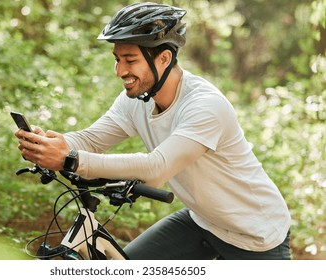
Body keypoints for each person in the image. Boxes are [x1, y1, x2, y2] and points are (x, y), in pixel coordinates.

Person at [15, 2, 291, 260]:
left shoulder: (205, 106)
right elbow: (90, 140)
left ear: (164, 58)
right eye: (117, 59)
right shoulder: (135, 101)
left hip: (257, 235)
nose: (120, 70)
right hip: (203, 222)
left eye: (130, 60)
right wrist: (49, 144)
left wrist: (70, 159)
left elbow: (156, 168)